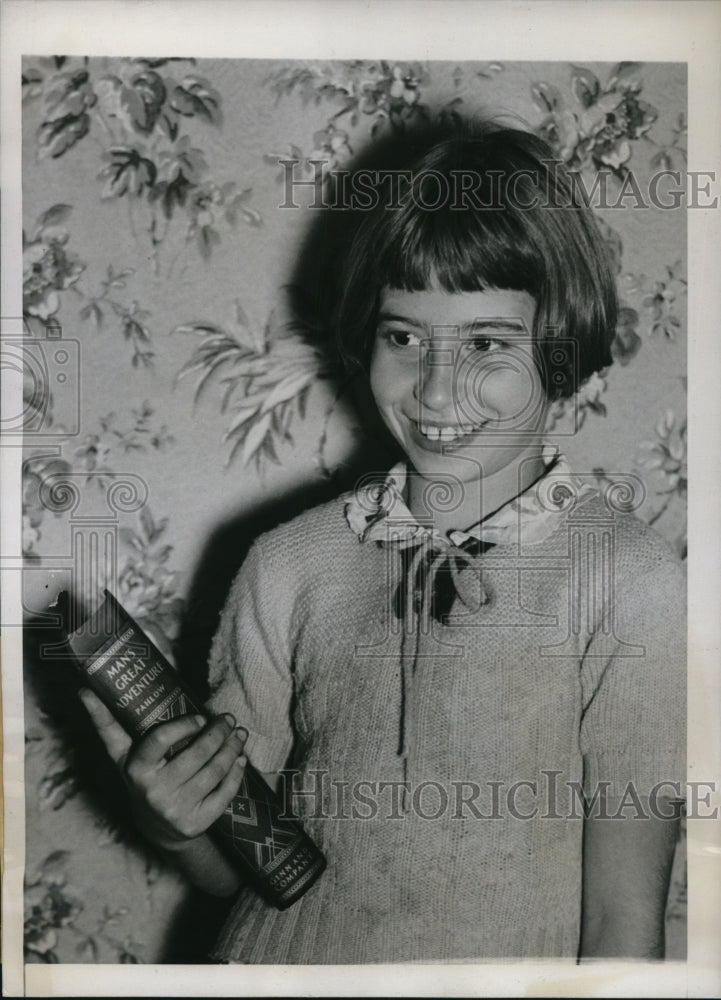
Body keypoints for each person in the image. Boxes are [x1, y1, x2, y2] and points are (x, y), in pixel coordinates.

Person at [81, 119, 686, 963]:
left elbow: (622, 925)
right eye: (403, 336)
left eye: (484, 342)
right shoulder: (287, 565)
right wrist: (169, 816)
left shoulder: (632, 583)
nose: (437, 388)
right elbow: (244, 873)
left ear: (560, 348)